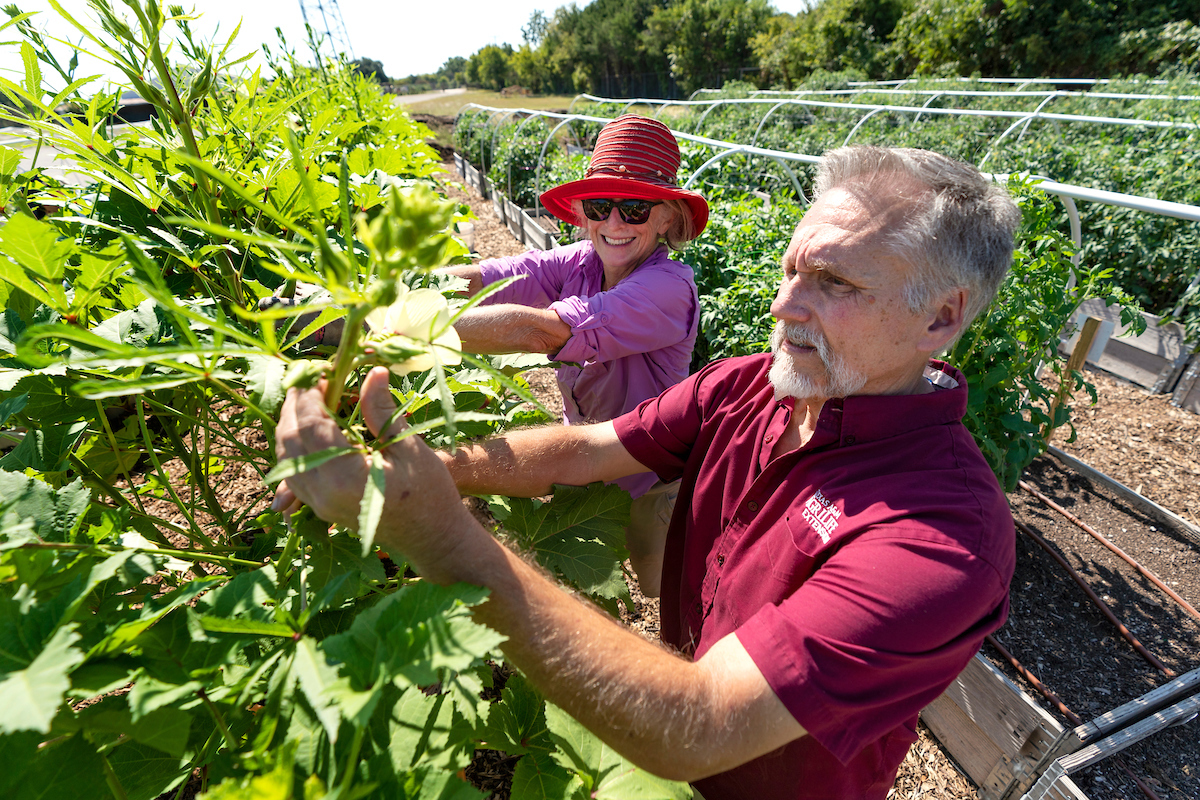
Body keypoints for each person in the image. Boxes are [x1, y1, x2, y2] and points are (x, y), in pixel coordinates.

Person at [274, 144, 1021, 800]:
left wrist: (436, 530)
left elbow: (698, 722)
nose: (782, 302)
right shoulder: (746, 384)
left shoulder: (943, 535)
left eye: (835, 283)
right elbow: (590, 447)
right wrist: (427, 469)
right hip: (663, 738)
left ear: (941, 317)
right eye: (793, 268)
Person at [442, 114, 709, 597]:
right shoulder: (578, 262)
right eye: (600, 205)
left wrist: (406, 328)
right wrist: (401, 291)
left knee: (667, 592)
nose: (613, 223)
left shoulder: (670, 287)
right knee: (576, 581)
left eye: (635, 209)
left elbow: (542, 333)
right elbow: (496, 276)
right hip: (584, 458)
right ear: (582, 211)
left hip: (647, 474)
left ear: (669, 217)